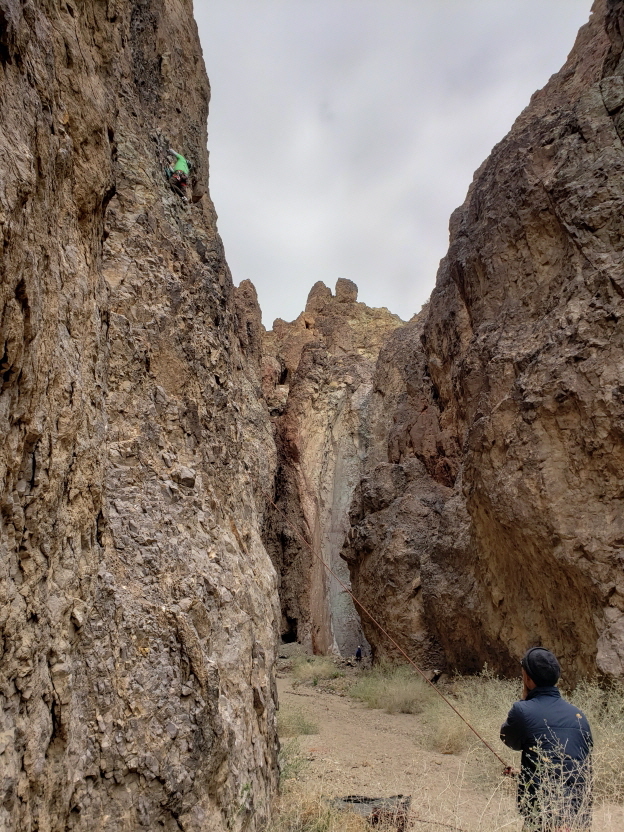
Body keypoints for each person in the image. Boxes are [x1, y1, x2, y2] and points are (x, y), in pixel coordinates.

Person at [500, 647, 593, 831]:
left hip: (543, 816)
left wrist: (525, 700)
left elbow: (508, 739)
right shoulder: (579, 716)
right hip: (577, 818)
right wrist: (521, 772)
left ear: (528, 679)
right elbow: (569, 767)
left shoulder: (522, 710)